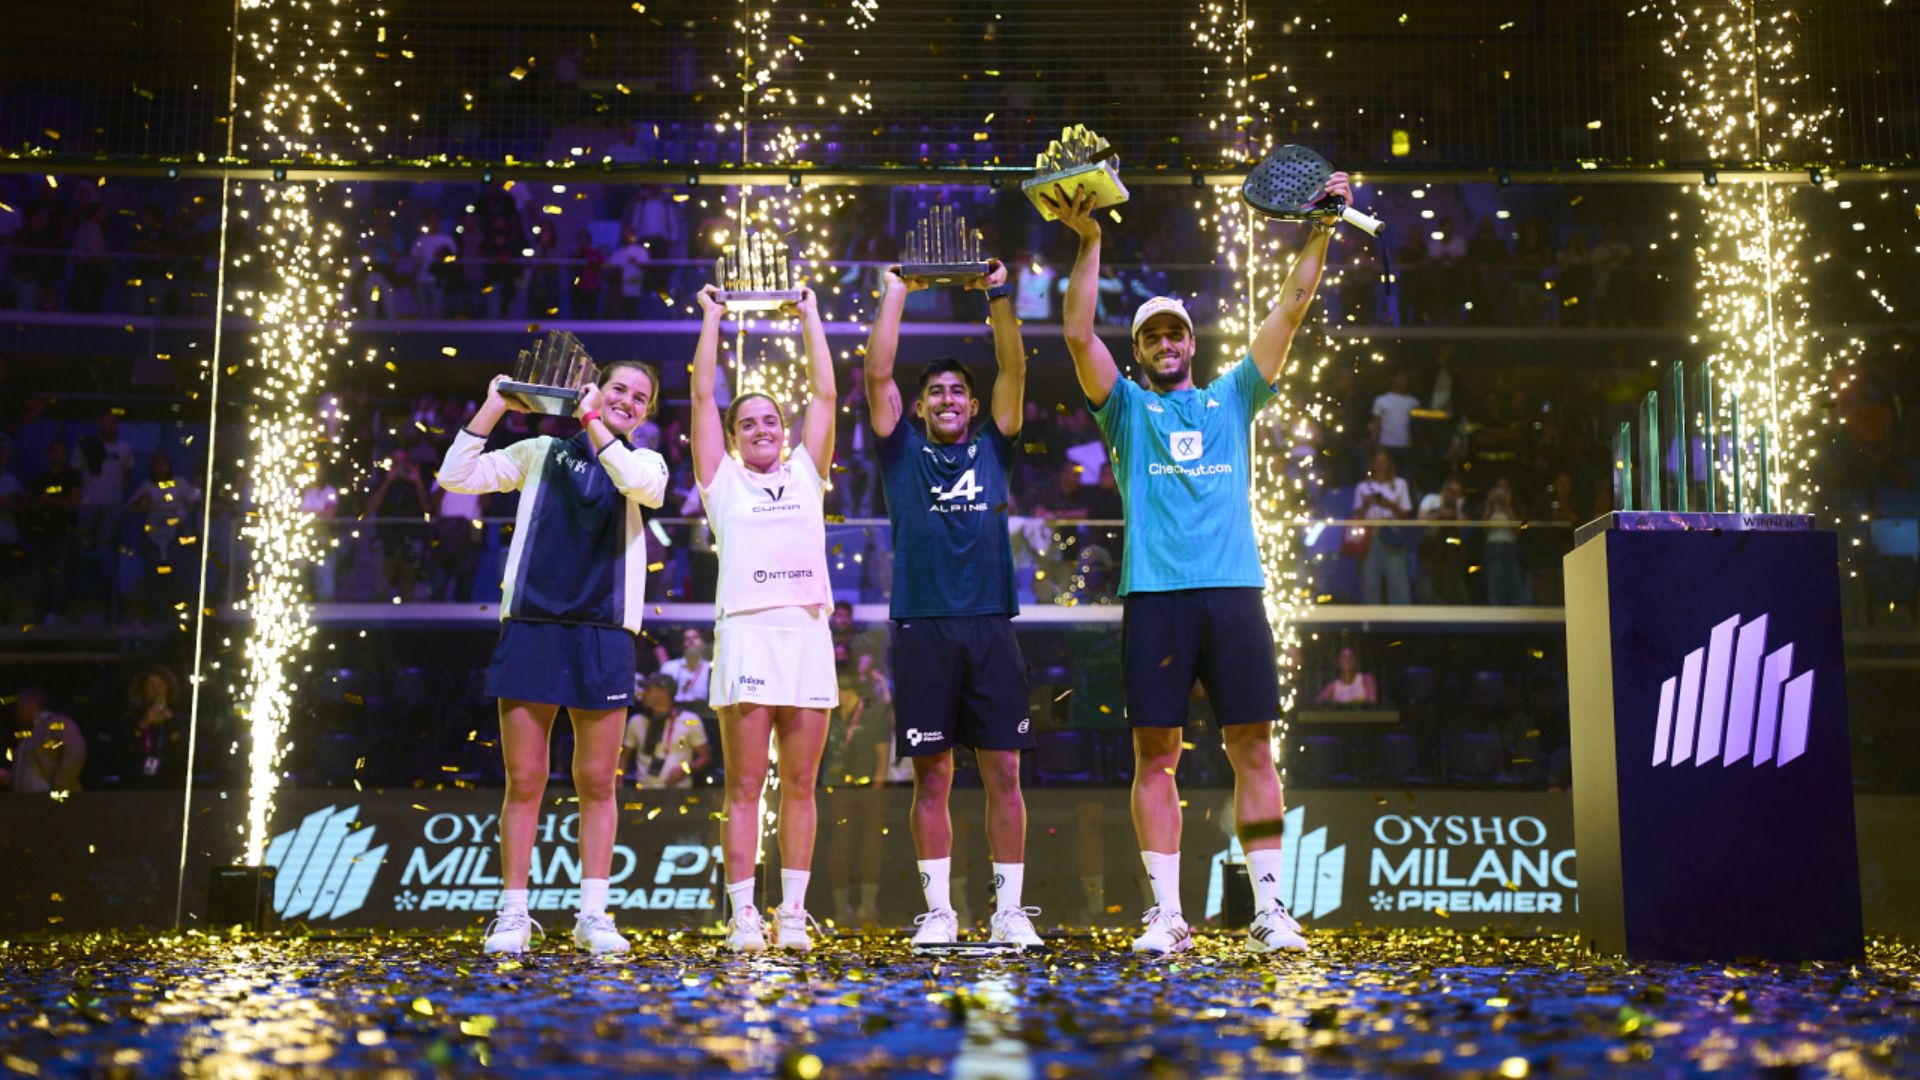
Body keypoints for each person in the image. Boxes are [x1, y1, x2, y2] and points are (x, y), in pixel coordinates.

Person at [1039, 173, 1354, 956]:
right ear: (1140, 352)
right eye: (1152, 337)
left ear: (1190, 342)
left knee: (1254, 749)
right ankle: (1167, 915)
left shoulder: (1233, 396)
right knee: (1157, 756)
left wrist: (1321, 229)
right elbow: (1076, 334)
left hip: (1235, 592)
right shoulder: (1126, 409)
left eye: (1175, 333)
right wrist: (1091, 239)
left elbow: (1292, 306)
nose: (1166, 343)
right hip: (1156, 595)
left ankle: (1271, 910)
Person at [437, 360, 670, 956]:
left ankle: (593, 914)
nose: (628, 400)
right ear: (595, 389)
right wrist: (495, 404)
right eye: (618, 388)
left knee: (596, 781)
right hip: (533, 626)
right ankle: (513, 913)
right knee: (525, 780)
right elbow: (454, 476)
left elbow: (637, 485)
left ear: (646, 412)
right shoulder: (540, 451)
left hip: (604, 633)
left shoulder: (648, 463)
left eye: (640, 397)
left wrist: (592, 420)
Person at [864, 257, 1042, 949]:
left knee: (1005, 772)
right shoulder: (901, 453)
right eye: (935, 391)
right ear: (919, 407)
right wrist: (896, 294)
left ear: (972, 405)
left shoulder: (996, 448)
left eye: (957, 391)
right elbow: (877, 374)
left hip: (991, 626)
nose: (946, 398)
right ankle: (939, 912)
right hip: (923, 629)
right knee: (931, 777)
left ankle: (1009, 912)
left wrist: (998, 294)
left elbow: (1014, 369)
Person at [690, 282, 838, 953]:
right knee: (746, 785)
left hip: (805, 633)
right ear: (731, 436)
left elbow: (826, 396)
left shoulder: (808, 471)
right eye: (747, 423)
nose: (761, 430)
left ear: (785, 430)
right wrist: (712, 319)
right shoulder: (720, 482)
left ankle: (793, 913)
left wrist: (810, 315)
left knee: (801, 785)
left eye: (770, 420)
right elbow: (701, 396)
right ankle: (744, 915)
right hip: (746, 635)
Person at [621, 674, 711, 789]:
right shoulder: (637, 721)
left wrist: (685, 769)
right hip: (643, 791)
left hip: (678, 791)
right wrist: (619, 782)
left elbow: (705, 756)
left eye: (648, 690)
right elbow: (624, 757)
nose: (642, 694)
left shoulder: (689, 720)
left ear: (663, 692)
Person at [1354, 450, 1414, 605]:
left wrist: (1390, 505)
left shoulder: (1400, 484)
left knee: (1398, 583)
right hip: (1371, 536)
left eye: (1384, 461)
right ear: (1372, 464)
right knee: (1370, 582)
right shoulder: (1362, 486)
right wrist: (1367, 503)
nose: (1380, 465)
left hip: (1392, 534)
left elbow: (1405, 515)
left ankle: (1401, 617)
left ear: (1389, 464)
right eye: (1377, 462)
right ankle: (1371, 617)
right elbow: (1358, 517)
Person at [12, 689, 85, 794]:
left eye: (20, 704)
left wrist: (59, 786)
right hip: (26, 800)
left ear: (30, 703)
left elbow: (76, 751)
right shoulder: (26, 736)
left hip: (51, 800)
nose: (17, 710)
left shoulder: (59, 723)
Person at [657, 628, 713, 713]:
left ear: (703, 643)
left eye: (695, 637)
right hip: (675, 713)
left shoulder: (710, 668)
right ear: (682, 645)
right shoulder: (669, 667)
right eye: (686, 638)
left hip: (704, 713)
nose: (691, 641)